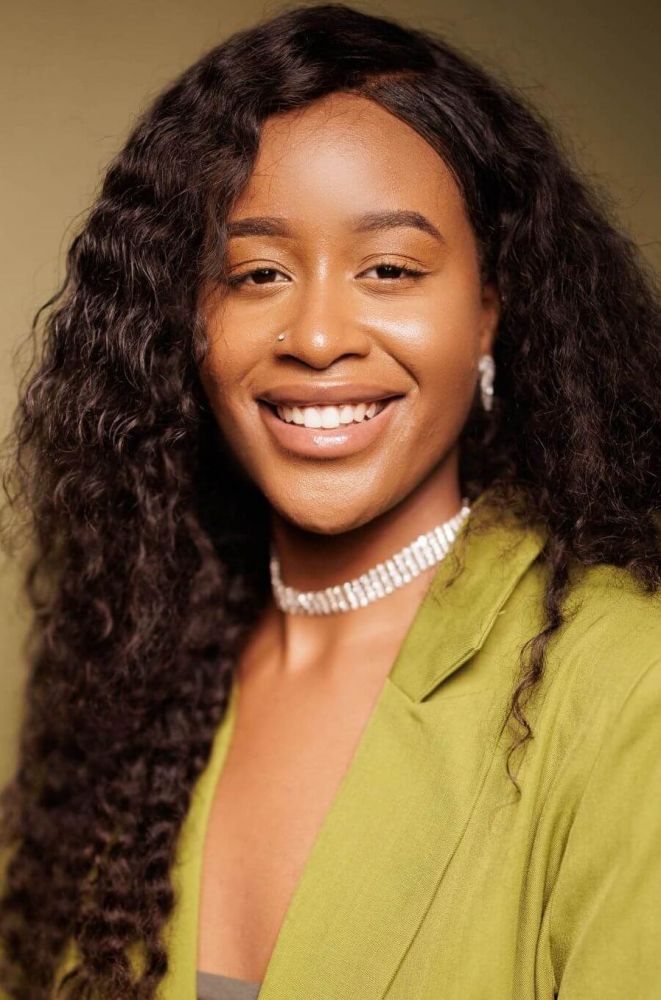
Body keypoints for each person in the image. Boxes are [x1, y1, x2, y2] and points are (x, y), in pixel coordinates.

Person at [1, 3, 660, 998]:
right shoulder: (140, 673)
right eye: (255, 273)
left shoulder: (624, 682)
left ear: (490, 310)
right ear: (186, 321)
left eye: (389, 269)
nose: (315, 337)